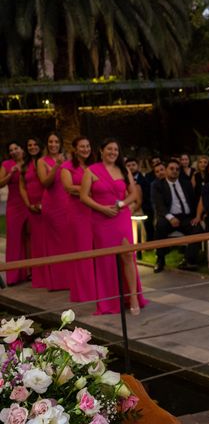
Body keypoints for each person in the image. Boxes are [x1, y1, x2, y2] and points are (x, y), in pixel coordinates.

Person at [80, 138, 146, 315]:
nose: (112, 152)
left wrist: (122, 204)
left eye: (115, 150)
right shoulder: (91, 171)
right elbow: (84, 196)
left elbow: (133, 194)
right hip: (101, 220)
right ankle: (110, 301)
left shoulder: (123, 170)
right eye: (109, 149)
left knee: (127, 256)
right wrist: (102, 209)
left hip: (121, 217)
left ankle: (132, 297)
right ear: (101, 151)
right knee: (106, 261)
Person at [61, 136, 97, 303]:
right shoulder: (67, 167)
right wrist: (87, 189)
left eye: (88, 146)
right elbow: (69, 188)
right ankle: (85, 292)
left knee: (96, 249)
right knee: (82, 251)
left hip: (95, 210)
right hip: (77, 213)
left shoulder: (95, 165)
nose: (85, 149)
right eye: (82, 146)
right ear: (75, 149)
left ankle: (98, 287)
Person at [151, 159, 201, 272]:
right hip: (168, 216)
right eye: (171, 169)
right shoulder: (158, 185)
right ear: (166, 170)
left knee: (198, 228)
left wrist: (197, 216)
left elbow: (194, 200)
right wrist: (170, 217)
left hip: (186, 217)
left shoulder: (186, 183)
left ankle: (188, 260)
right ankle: (160, 259)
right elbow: (159, 205)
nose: (174, 171)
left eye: (177, 169)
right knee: (160, 226)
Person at [37, 131, 71, 291]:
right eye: (50, 142)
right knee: (55, 244)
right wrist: (56, 165)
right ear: (47, 144)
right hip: (52, 205)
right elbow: (45, 182)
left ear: (60, 143)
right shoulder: (41, 161)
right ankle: (57, 281)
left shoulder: (68, 159)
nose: (53, 145)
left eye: (56, 141)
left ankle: (70, 279)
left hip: (66, 203)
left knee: (68, 241)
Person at [0, 141, 30, 285]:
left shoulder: (30, 161)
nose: (13, 151)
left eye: (16, 148)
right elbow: (0, 183)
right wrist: (11, 172)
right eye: (11, 150)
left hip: (29, 203)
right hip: (14, 205)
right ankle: (13, 275)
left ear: (22, 149)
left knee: (31, 238)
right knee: (14, 238)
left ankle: (30, 272)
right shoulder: (6, 164)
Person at [18, 137, 46, 288]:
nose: (32, 147)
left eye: (35, 144)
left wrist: (43, 204)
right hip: (31, 206)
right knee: (35, 240)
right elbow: (22, 186)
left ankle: (49, 272)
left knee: (46, 239)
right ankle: (37, 273)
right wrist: (28, 204)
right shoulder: (24, 165)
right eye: (29, 145)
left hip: (45, 205)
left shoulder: (44, 161)